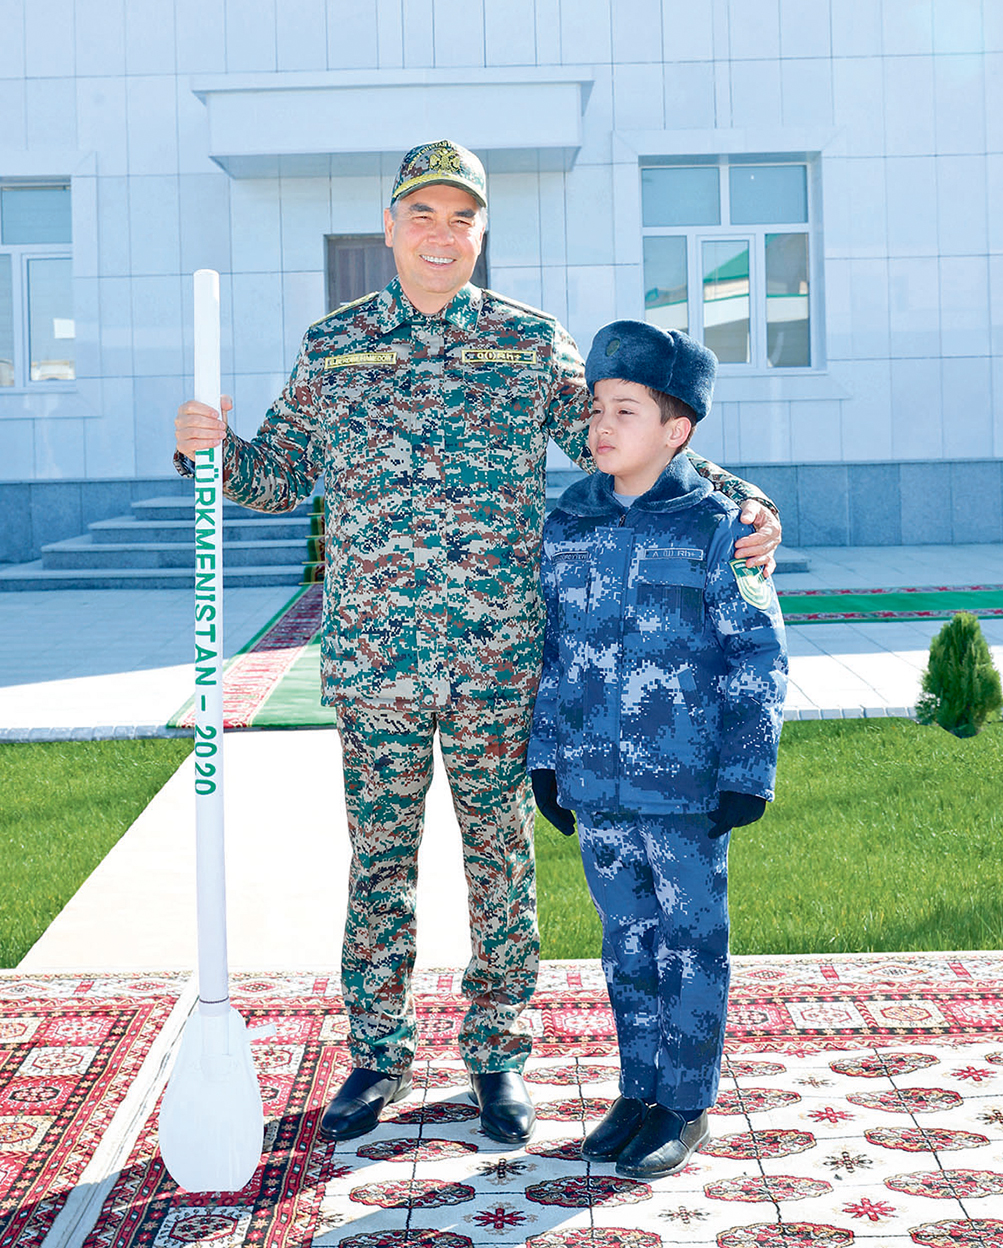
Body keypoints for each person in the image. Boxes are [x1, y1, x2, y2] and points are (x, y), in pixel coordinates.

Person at [172, 140, 783, 1149]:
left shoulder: (528, 345)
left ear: (481, 232)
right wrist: (210, 448)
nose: (442, 235)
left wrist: (743, 501)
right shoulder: (336, 348)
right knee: (380, 862)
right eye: (423, 215)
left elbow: (624, 432)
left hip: (501, 659)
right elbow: (275, 474)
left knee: (500, 861)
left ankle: (499, 1056)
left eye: (462, 217)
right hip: (376, 662)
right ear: (390, 228)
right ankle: (377, 1052)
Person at [527, 318, 787, 1179]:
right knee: (626, 942)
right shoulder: (569, 523)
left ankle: (685, 1102)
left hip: (685, 784)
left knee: (689, 941)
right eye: (598, 407)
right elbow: (553, 650)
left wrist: (749, 772)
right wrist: (546, 759)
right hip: (598, 782)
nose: (602, 427)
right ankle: (639, 1090)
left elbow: (757, 650)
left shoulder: (720, 526)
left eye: (626, 410)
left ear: (677, 430)